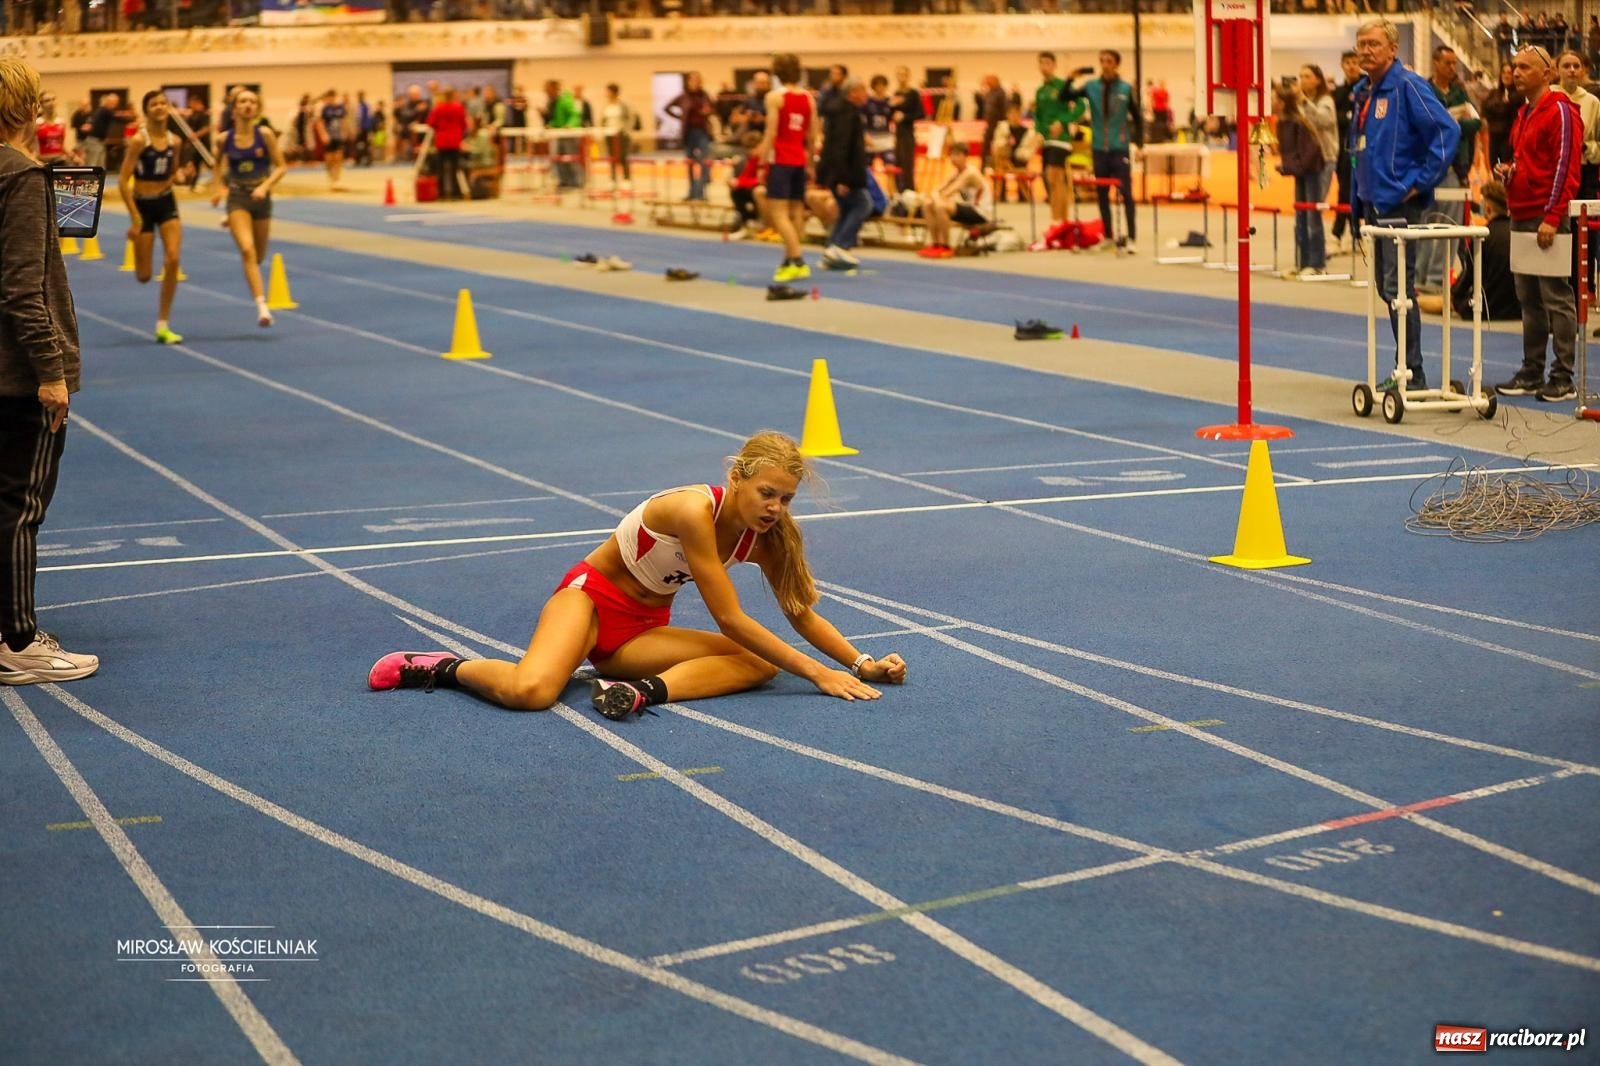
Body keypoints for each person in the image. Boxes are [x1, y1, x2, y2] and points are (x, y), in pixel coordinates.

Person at [368, 432, 907, 717]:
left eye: (786, 499)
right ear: (736, 477)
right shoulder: (692, 511)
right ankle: (444, 667)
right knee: (531, 693)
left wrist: (861, 665)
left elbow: (800, 613)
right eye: (767, 493)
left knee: (758, 665)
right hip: (589, 604)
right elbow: (729, 617)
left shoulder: (764, 539)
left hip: (641, 633)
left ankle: (641, 692)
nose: (775, 508)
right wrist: (817, 675)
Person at [0, 56, 98, 685]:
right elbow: (20, 289)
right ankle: (16, 642)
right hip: (14, 375)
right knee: (19, 504)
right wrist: (52, 371)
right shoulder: (24, 176)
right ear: (30, 106)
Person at [1348, 18, 1459, 394]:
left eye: (1373, 44)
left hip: (1399, 202)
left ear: (1393, 49)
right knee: (1386, 288)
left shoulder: (1409, 86)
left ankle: (1412, 371)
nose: (1366, 50)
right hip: (1372, 201)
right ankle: (1405, 365)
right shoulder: (1363, 92)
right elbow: (1359, 151)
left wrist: (1419, 182)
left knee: (1399, 288)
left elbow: (1448, 130)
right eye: (1361, 43)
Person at [1494, 45, 1581, 403]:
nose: (1516, 72)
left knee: (1555, 296)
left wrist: (1553, 215)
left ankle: (1563, 375)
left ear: (1547, 74)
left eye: (1526, 67)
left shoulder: (1559, 111)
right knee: (1527, 298)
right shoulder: (1524, 113)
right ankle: (1532, 370)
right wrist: (1510, 172)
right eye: (1515, 67)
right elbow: (1530, 160)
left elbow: (1566, 168)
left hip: (1545, 216)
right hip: (1521, 211)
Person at [211, 88, 287, 329]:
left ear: (258, 108)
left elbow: (281, 167)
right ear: (234, 109)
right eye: (243, 102)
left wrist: (264, 187)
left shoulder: (264, 135)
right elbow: (216, 165)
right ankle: (262, 307)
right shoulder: (224, 139)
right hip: (238, 197)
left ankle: (230, 221)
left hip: (261, 199)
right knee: (247, 251)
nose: (247, 105)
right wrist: (216, 190)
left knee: (259, 256)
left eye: (252, 102)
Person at [120, 90, 191, 345]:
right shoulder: (140, 141)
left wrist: (180, 177)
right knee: (143, 276)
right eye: (154, 104)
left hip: (166, 202)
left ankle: (163, 323)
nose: (160, 107)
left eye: (163, 103)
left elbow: (172, 172)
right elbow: (121, 181)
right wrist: (135, 218)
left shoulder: (176, 142)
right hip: (142, 205)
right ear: (147, 110)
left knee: (173, 258)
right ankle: (136, 238)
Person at [1062, 50, 1138, 253]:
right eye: (1102, 61)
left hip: (1119, 148)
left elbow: (1137, 117)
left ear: (1116, 65)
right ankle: (1108, 235)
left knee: (1126, 194)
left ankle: (1131, 238)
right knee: (1102, 194)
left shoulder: (1126, 88)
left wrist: (1139, 144)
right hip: (1099, 149)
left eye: (1109, 61)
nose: (1105, 64)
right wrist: (1070, 78)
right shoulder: (1091, 87)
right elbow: (1065, 96)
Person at [754, 52, 818, 284]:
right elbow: (813, 135)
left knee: (778, 213)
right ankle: (789, 259)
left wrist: (762, 162)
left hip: (781, 159)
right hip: (799, 160)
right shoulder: (809, 98)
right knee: (795, 212)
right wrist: (810, 163)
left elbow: (771, 132)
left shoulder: (774, 97)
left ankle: (798, 260)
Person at [1417, 180, 1519, 321]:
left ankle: (1415, 301)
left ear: (1488, 208)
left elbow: (1466, 281)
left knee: (1435, 301)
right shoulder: (1518, 232)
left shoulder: (1481, 237)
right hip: (1519, 309)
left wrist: (1453, 295)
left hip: (1488, 308)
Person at [1274, 83, 1327, 278]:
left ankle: (1317, 263)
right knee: (1300, 218)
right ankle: (1302, 261)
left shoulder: (1298, 122)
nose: (1271, 102)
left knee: (1312, 216)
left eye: (1274, 99)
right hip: (1299, 173)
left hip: (1311, 172)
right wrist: (1288, 167)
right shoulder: (1281, 122)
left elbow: (1310, 150)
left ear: (1282, 103)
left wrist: (1293, 167)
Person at [818, 77, 869, 270]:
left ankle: (831, 248)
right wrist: (843, 178)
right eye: (863, 91)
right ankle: (840, 245)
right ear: (853, 93)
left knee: (847, 209)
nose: (866, 95)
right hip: (844, 172)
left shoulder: (840, 111)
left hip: (836, 170)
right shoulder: (847, 114)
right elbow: (841, 146)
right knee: (863, 205)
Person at [1034, 51, 1083, 232]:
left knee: (1055, 177)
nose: (1044, 67)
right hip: (1046, 141)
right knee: (1051, 180)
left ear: (1053, 66)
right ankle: (1058, 220)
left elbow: (1081, 105)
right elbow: (1037, 115)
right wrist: (1039, 132)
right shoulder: (1040, 91)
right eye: (1041, 63)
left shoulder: (1062, 86)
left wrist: (1064, 121)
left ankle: (1059, 220)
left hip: (1060, 140)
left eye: (1047, 63)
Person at [918, 141, 992, 258]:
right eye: (952, 155)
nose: (953, 158)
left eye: (957, 155)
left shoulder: (970, 173)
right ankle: (936, 244)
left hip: (980, 212)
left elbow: (950, 191)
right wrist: (931, 196)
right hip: (969, 207)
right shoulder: (956, 173)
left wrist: (936, 197)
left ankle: (946, 246)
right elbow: (939, 188)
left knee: (940, 206)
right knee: (927, 204)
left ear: (965, 156)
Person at [664, 71, 715, 201]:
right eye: (692, 80)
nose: (695, 83)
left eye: (697, 80)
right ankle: (691, 191)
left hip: (702, 132)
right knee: (690, 163)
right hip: (688, 132)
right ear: (688, 82)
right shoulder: (683, 96)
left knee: (704, 162)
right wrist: (680, 117)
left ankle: (700, 192)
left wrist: (708, 112)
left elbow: (712, 110)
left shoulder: (704, 96)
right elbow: (667, 108)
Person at [889, 65, 923, 194]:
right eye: (899, 74)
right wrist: (891, 107)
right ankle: (898, 189)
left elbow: (920, 113)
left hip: (908, 132)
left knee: (908, 163)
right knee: (897, 161)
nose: (901, 77)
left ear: (908, 76)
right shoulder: (896, 93)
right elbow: (890, 113)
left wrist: (905, 117)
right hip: (897, 133)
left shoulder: (913, 93)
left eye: (904, 74)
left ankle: (910, 190)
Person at [1481, 61, 1522, 169]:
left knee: (1506, 167)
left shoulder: (1518, 94)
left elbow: (1506, 110)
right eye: (1504, 72)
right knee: (1492, 166)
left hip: (1508, 138)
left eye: (1509, 73)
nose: (1506, 75)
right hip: (1493, 136)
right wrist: (1501, 105)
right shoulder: (1494, 92)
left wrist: (1498, 107)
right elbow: (1485, 108)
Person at [313, 88, 348, 191]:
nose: (331, 99)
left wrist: (344, 131)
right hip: (329, 136)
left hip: (338, 135)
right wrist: (323, 134)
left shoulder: (340, 108)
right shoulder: (324, 108)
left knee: (339, 157)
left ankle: (337, 179)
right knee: (329, 158)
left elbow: (343, 121)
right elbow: (319, 122)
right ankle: (331, 178)